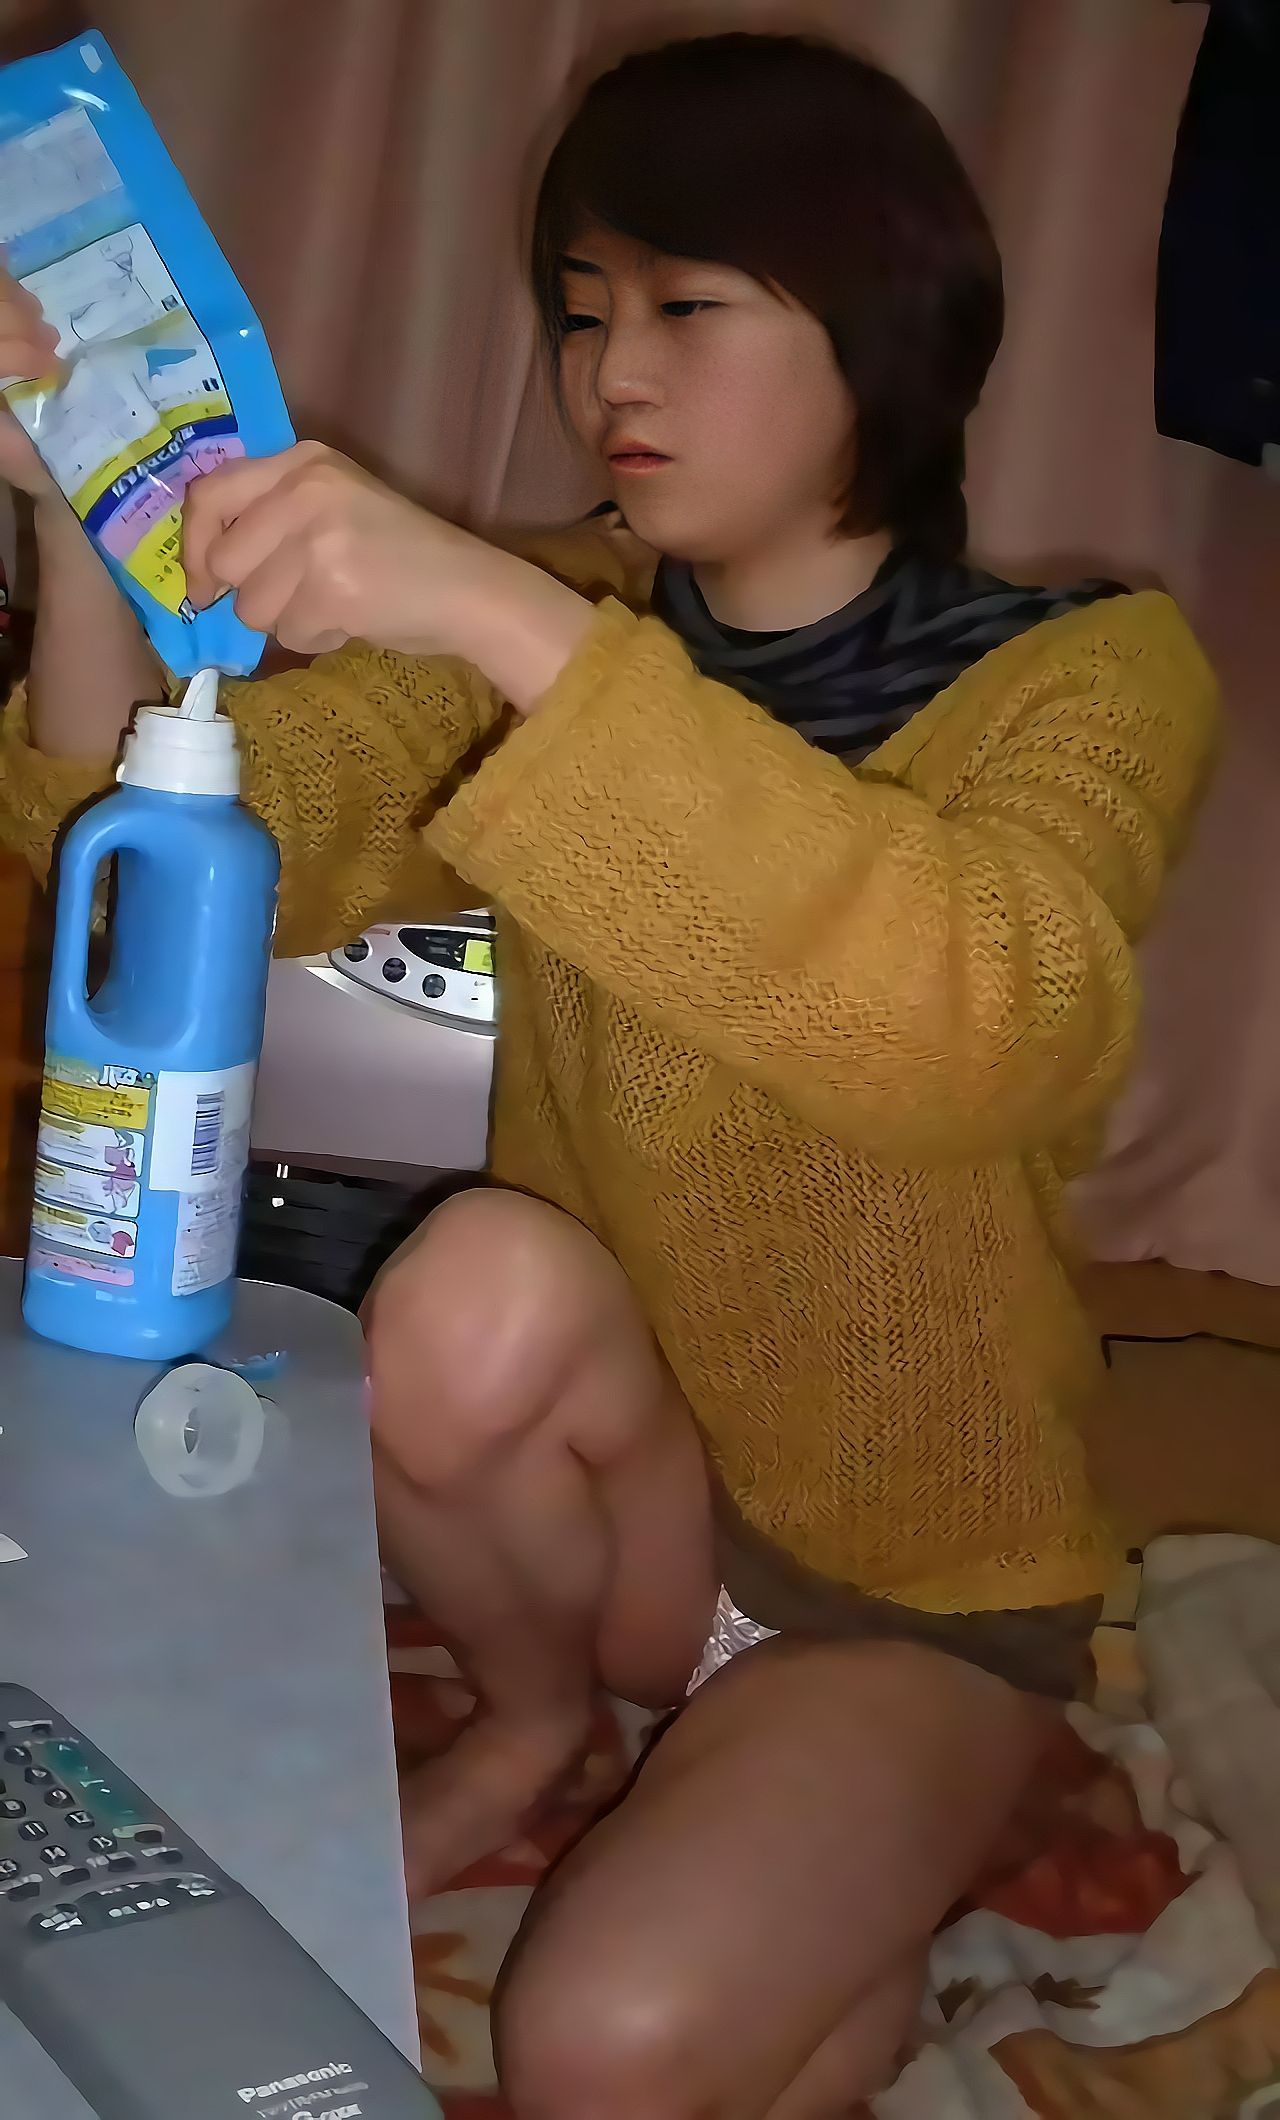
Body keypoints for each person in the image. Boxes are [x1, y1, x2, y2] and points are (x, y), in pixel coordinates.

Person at [0, 32, 1216, 2119]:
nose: (608, 378)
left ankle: (853, 1824)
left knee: (603, 2043)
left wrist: (498, 614)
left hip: (911, 1595)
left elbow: (970, 1027)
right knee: (468, 1285)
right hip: (633, 1523)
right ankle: (540, 1718)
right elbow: (201, 816)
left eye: (685, 309)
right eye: (579, 316)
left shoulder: (1086, 673)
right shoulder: (569, 614)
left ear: (882, 326)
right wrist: (70, 516)